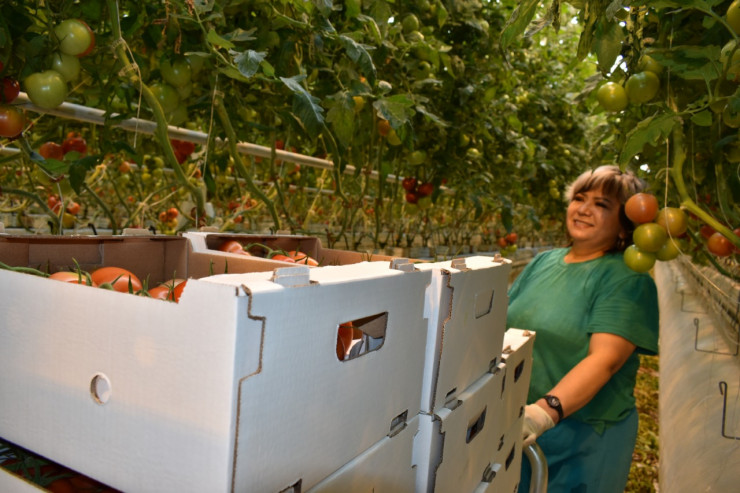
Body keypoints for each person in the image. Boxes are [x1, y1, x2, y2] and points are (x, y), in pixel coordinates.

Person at [507, 165, 659, 492]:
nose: (584, 209)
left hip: (583, 437)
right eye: (579, 198)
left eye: (601, 204)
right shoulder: (543, 262)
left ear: (625, 225)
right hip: (521, 426)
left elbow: (605, 360)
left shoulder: (626, 279)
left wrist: (544, 413)